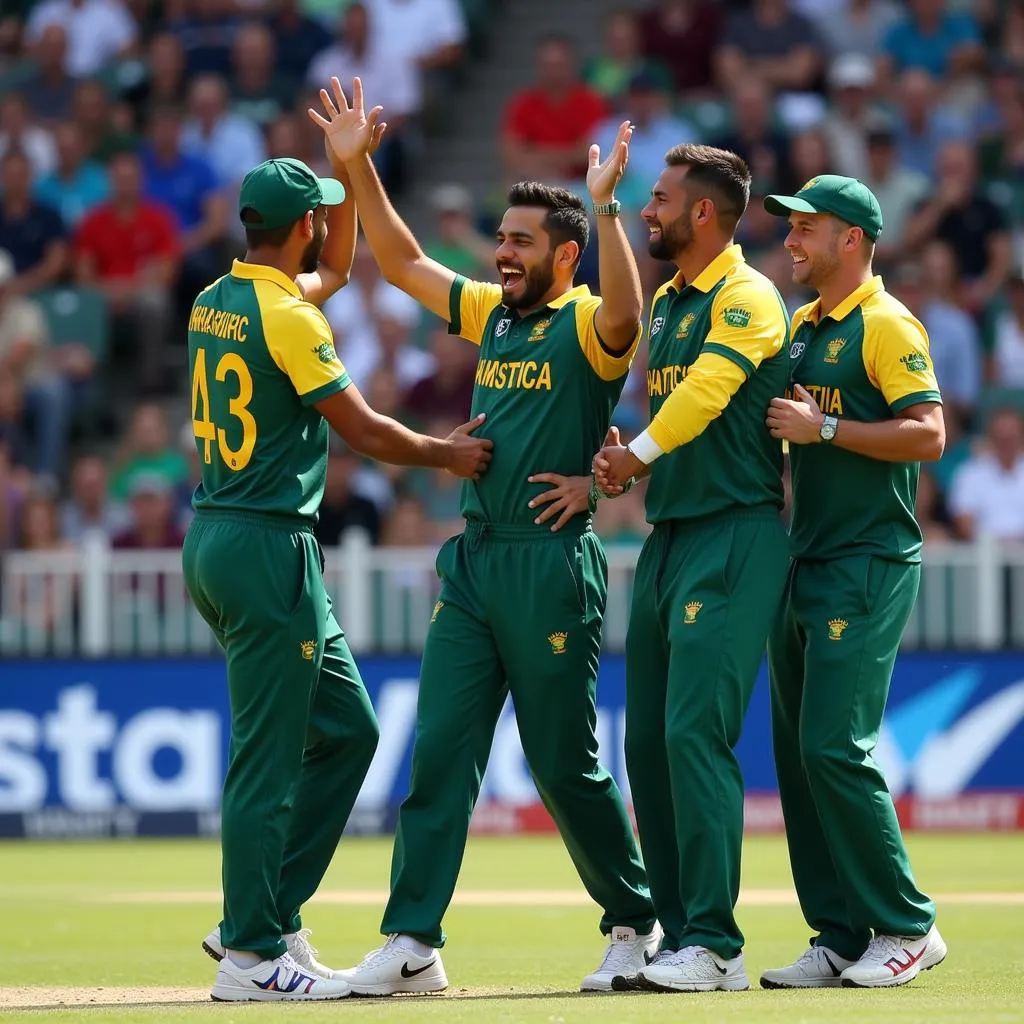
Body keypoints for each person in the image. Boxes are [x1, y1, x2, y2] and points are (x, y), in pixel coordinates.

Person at [319, 77, 657, 995]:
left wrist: (610, 209)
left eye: (520, 242)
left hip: (551, 565)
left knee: (562, 766)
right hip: (473, 562)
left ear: (568, 253)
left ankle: (635, 921)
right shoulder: (492, 315)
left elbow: (630, 314)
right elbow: (401, 264)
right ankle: (413, 943)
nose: (502, 253)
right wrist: (357, 169)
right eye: (502, 238)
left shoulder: (589, 323)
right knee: (439, 757)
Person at [181, 122, 492, 999]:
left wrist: (350, 176)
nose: (328, 229)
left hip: (222, 532)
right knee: (268, 761)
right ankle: (249, 956)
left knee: (348, 730)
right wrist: (446, 454)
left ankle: (266, 912)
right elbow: (360, 428)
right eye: (320, 218)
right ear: (301, 228)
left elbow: (337, 273)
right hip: (266, 541)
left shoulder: (219, 297)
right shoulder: (287, 317)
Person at [594, 144, 790, 993]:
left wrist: (633, 456)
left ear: (701, 212)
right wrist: (624, 456)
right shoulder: (671, 299)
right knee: (645, 744)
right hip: (671, 536)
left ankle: (716, 943)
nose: (650, 209)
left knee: (692, 736)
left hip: (735, 535)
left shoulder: (748, 296)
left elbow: (707, 392)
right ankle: (678, 935)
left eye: (660, 198)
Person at [760, 174, 946, 989]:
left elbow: (929, 434)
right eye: (792, 226)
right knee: (801, 757)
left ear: (853, 240)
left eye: (809, 227)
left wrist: (826, 426)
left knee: (835, 744)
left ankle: (907, 925)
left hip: (868, 560)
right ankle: (838, 932)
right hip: (807, 557)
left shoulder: (886, 323)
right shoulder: (802, 325)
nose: (793, 240)